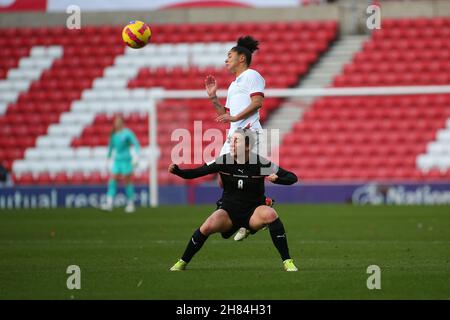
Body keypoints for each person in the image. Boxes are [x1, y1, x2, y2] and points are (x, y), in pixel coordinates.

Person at [168, 129, 299, 272]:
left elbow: (292, 178)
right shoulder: (224, 161)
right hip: (228, 211)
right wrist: (178, 171)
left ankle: (287, 261)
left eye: (237, 141)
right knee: (206, 226)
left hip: (253, 211)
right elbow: (196, 172)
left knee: (270, 214)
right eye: (231, 140)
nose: (232, 144)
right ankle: (182, 262)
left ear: (248, 146)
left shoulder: (260, 164)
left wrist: (277, 179)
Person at [205, 35, 269, 241]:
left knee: (251, 176)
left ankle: (255, 212)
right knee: (222, 179)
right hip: (234, 134)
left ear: (242, 58)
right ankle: (241, 214)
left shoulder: (252, 75)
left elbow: (257, 102)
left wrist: (235, 117)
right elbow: (226, 113)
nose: (226, 60)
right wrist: (213, 97)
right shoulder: (234, 85)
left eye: (229, 55)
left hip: (249, 133)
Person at [101, 115, 140, 213]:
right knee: (112, 180)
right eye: (115, 121)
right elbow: (110, 148)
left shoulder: (127, 133)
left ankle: (130, 204)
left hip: (126, 161)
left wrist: (136, 156)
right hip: (117, 161)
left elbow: (135, 144)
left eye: (118, 121)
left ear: (122, 123)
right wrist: (107, 160)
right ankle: (109, 203)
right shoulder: (113, 135)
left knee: (127, 182)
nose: (116, 123)